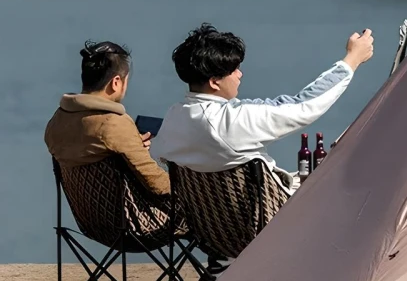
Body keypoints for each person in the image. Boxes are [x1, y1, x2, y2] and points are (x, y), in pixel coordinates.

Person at [156, 23, 374, 194]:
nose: (240, 75)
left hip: (209, 231)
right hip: (264, 227)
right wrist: (351, 60)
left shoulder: (174, 118)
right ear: (214, 82)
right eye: (234, 70)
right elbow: (304, 106)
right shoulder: (230, 121)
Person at [44, 41, 170, 197]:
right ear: (116, 83)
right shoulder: (114, 124)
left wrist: (132, 145)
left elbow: (94, 147)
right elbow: (159, 185)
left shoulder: (56, 123)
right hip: (130, 219)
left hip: (87, 217)